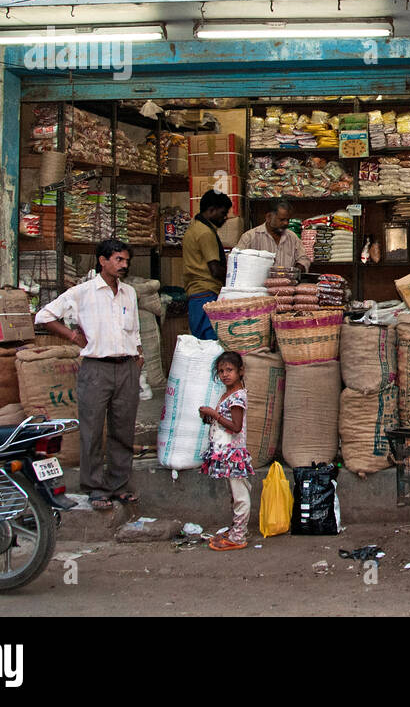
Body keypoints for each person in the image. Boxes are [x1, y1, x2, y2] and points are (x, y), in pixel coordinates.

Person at [34, 239, 142, 511]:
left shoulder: (129, 292)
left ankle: (118, 485)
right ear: (102, 261)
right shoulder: (82, 292)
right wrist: (72, 336)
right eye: (118, 259)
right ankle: (95, 487)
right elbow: (44, 316)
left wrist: (138, 355)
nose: (124, 265)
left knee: (123, 429)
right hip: (96, 367)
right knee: (92, 429)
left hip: (127, 365)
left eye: (126, 260)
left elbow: (135, 330)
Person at [199, 351, 256, 550]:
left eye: (229, 370)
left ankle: (238, 536)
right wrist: (209, 417)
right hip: (225, 452)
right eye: (221, 371)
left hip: (233, 453)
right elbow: (223, 421)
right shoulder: (228, 394)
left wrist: (214, 413)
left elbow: (236, 427)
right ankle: (236, 529)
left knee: (240, 496)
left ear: (240, 371)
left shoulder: (237, 396)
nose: (225, 374)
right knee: (236, 492)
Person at [183, 189, 231, 341]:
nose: (225, 218)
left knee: (202, 342)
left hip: (197, 294)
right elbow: (215, 269)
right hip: (205, 293)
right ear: (211, 210)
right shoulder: (205, 233)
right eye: (223, 213)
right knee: (209, 343)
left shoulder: (195, 227)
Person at [236, 198, 310, 273]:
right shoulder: (250, 237)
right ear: (268, 217)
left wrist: (296, 270)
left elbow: (303, 259)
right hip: (258, 283)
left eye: (287, 220)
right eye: (282, 220)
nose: (286, 223)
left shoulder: (292, 237)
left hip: (287, 283)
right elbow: (237, 261)